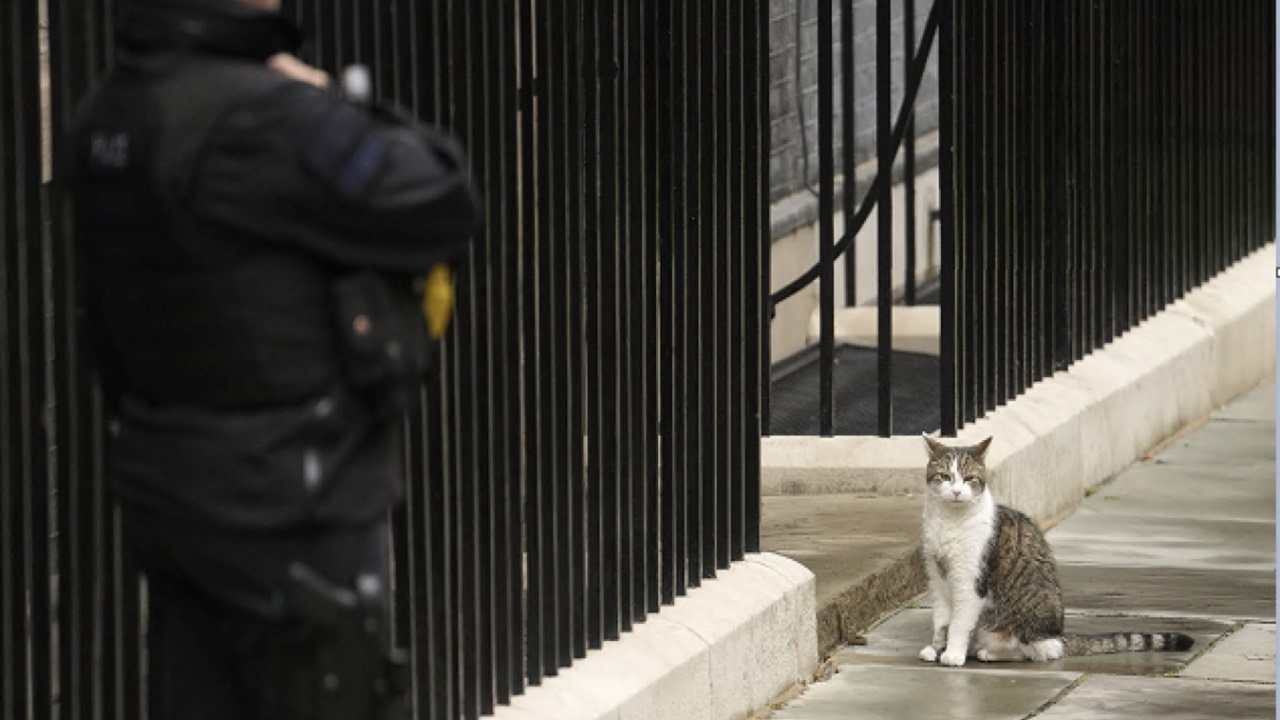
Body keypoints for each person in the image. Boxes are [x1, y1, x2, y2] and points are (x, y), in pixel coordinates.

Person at [64, 0, 480, 717]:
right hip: (292, 507)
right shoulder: (262, 117)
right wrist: (325, 96)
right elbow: (441, 196)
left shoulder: (111, 113)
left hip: (171, 495)